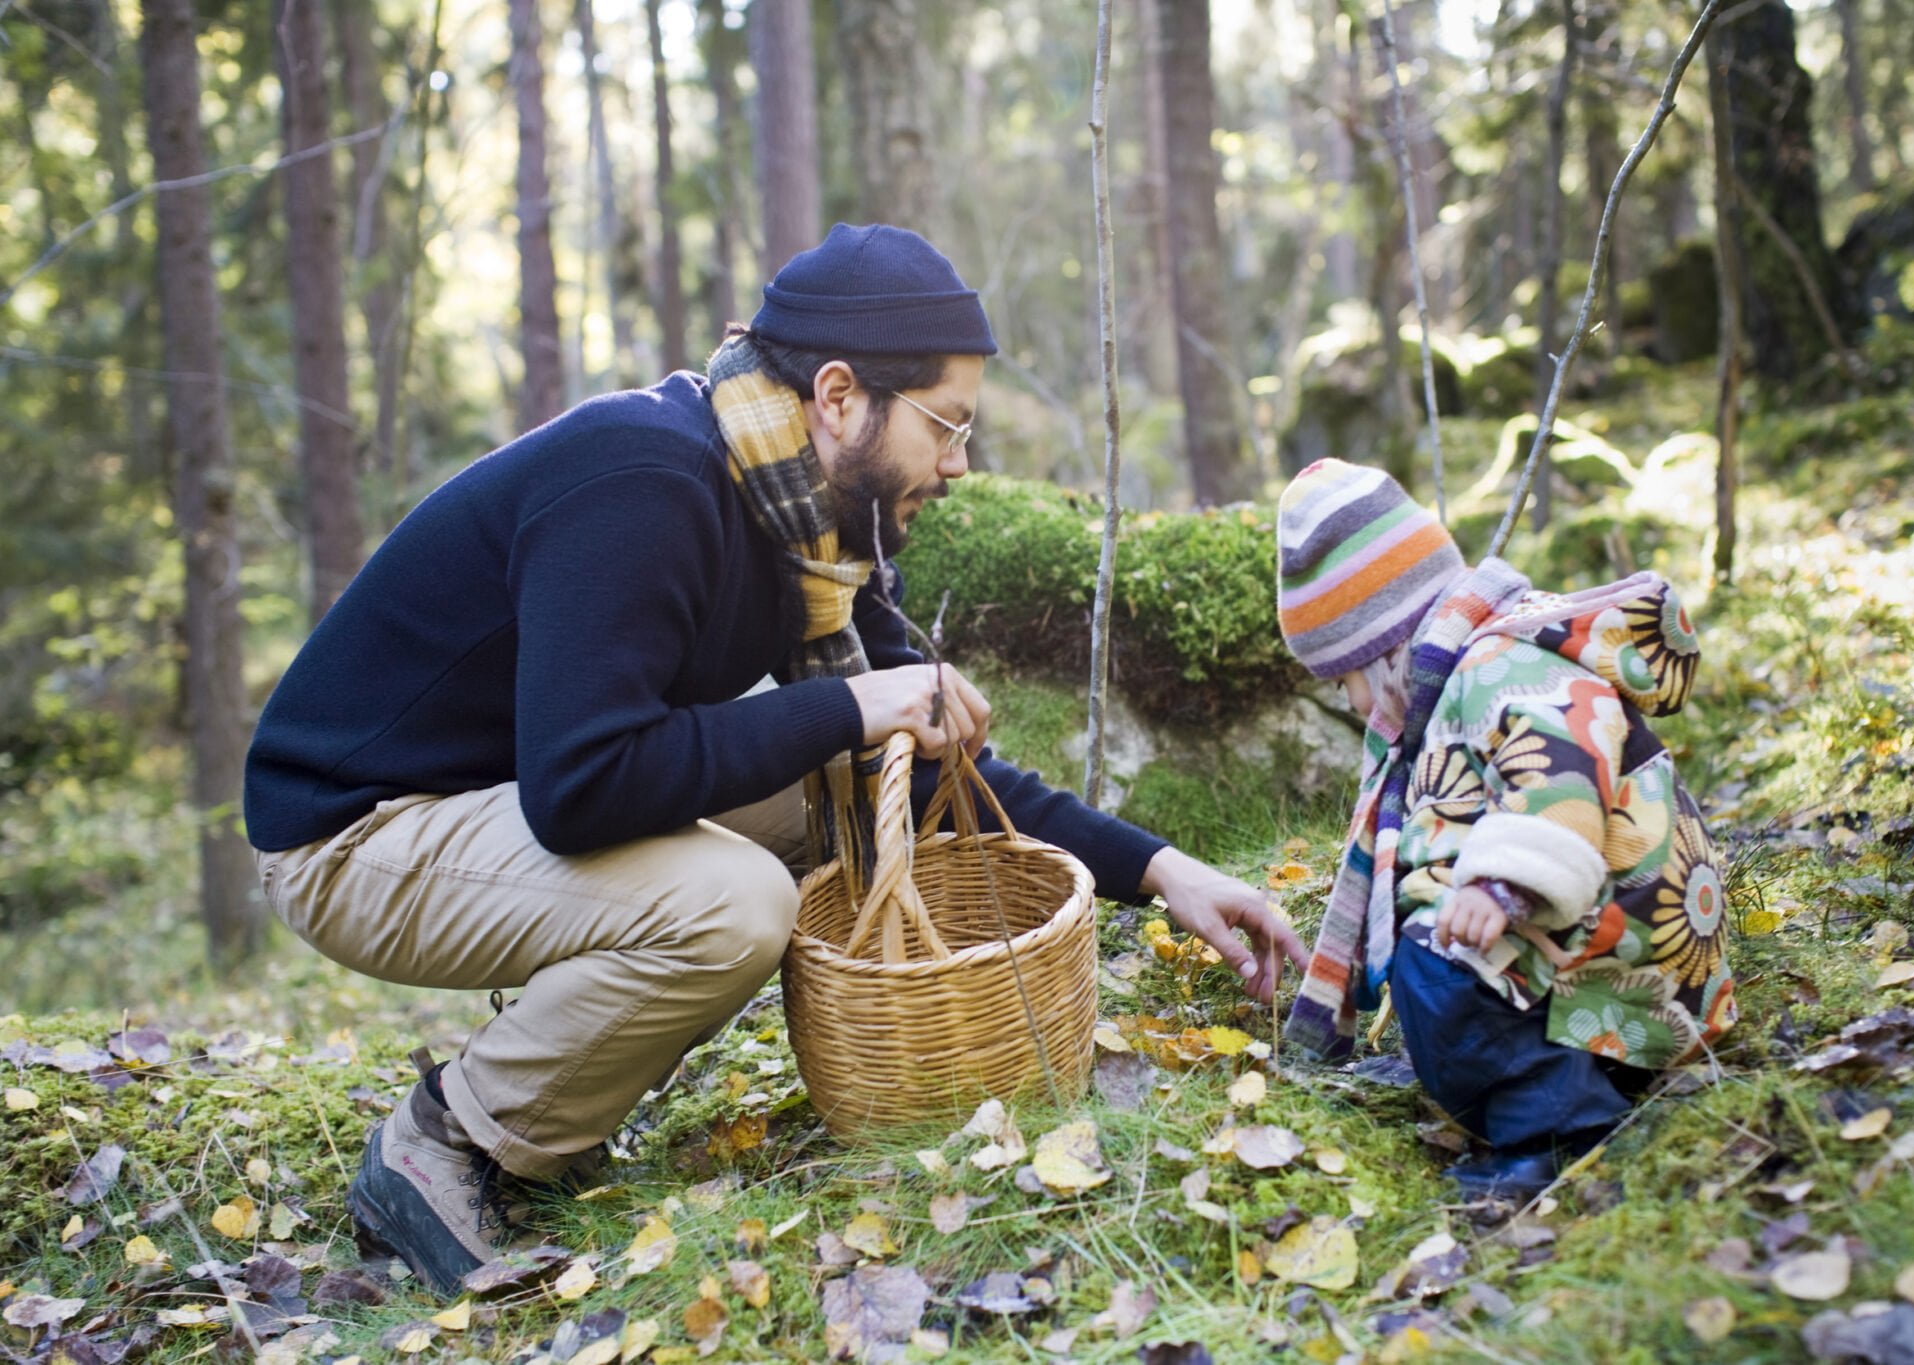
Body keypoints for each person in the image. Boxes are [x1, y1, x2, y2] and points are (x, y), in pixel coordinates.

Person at [244, 223, 1308, 1295]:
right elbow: (583, 787)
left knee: (835, 779)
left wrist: (1165, 871)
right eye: (945, 424)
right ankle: (445, 1142)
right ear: (839, 397)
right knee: (736, 902)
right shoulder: (641, 479)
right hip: (354, 834)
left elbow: (928, 769)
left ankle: (553, 1094)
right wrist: (849, 705)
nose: (957, 462)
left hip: (500, 795)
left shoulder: (813, 532)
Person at [1273, 459, 1735, 1202]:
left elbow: (1560, 772)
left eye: (1344, 678)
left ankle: (1559, 1130)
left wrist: (1500, 882)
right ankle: (1570, 1072)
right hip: (1595, 934)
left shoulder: (1498, 664)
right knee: (1432, 954)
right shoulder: (1456, 677)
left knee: (1437, 963)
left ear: (1384, 644)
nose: (1351, 701)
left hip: (1630, 933)